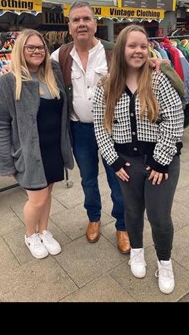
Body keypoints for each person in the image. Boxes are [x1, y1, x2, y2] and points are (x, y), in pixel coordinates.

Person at [51, 1, 185, 255]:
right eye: (76, 20)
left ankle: (123, 226)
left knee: (119, 177)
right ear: (69, 26)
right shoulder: (59, 55)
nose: (82, 24)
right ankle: (94, 218)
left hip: (115, 130)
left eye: (87, 19)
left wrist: (163, 65)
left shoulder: (114, 50)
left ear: (95, 23)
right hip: (80, 129)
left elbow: (143, 64)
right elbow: (38, 69)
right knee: (88, 179)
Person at [93, 24, 184, 295]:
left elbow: (175, 118)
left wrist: (160, 160)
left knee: (159, 216)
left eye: (143, 46)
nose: (139, 51)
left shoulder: (159, 78)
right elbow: (100, 124)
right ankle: (136, 250)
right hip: (126, 162)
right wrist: (113, 160)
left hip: (160, 162)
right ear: (121, 49)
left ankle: (164, 261)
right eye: (132, 46)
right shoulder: (107, 84)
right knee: (131, 211)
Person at [0, 29, 74, 260]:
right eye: (30, 47)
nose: (36, 51)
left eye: (40, 47)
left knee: (48, 193)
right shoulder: (8, 81)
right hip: (30, 152)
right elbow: (1, 124)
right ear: (21, 49)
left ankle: (43, 231)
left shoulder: (52, 72)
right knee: (37, 199)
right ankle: (30, 234)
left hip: (53, 149)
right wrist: (6, 163)